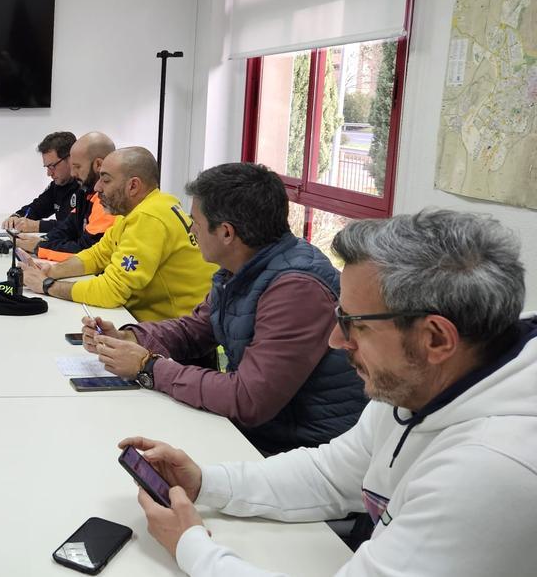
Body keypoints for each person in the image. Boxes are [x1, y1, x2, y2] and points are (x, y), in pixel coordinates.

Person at [120, 209, 536, 576]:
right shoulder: (422, 383)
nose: (337, 340)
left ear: (435, 338)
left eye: (355, 324)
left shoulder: (491, 469)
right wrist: (205, 483)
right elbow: (332, 474)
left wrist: (192, 547)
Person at [83, 163, 366, 453]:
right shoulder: (241, 268)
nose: (191, 230)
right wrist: (130, 338)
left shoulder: (297, 290)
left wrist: (149, 367)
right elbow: (195, 329)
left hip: (299, 450)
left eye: (196, 222)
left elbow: (248, 398)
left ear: (227, 233)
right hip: (264, 432)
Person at [22, 147, 214, 322]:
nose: (97, 188)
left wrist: (47, 286)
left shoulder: (149, 217)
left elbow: (111, 291)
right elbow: (98, 255)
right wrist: (50, 271)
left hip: (180, 337)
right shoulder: (141, 208)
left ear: (133, 186)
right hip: (166, 327)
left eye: (105, 180)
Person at [14, 131, 118, 260]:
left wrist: (39, 247)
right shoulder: (85, 191)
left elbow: (88, 251)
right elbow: (68, 227)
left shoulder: (108, 199)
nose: (73, 173)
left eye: (77, 167)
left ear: (98, 165)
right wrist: (43, 241)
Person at [3, 131, 78, 233]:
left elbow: (76, 227)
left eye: (52, 166)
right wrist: (17, 216)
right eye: (47, 167)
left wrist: (38, 226)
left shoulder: (87, 187)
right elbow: (37, 208)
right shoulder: (57, 185)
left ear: (70, 159)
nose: (48, 173)